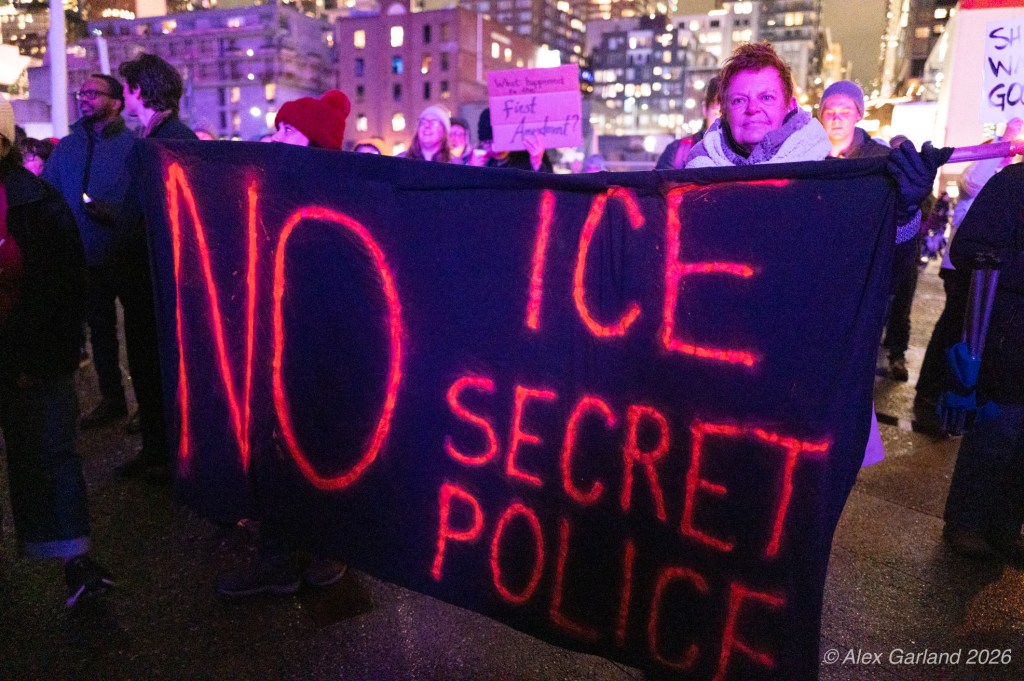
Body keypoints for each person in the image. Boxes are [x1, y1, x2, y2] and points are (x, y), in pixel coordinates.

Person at [216, 90, 351, 597]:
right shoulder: (267, 186)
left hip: (324, 349)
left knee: (321, 445)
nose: (274, 136)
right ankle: (276, 556)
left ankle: (330, 545)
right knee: (272, 447)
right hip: (272, 343)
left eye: (287, 130)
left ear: (312, 141)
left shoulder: (344, 198)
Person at [0, 98, 115, 607]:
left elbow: (64, 290)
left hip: (30, 359)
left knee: (49, 456)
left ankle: (77, 565)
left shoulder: (36, 203)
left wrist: (48, 359)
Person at [111, 53, 199, 483]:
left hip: (158, 279)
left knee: (158, 364)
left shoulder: (171, 141)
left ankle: (167, 453)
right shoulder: (157, 136)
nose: (123, 95)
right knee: (148, 363)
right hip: (147, 275)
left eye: (126, 88)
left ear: (140, 91)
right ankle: (159, 448)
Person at [915, 118, 1022, 431]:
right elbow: (974, 181)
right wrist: (1005, 140)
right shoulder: (985, 171)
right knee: (953, 332)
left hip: (991, 274)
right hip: (968, 271)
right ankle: (933, 395)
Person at [941, 160, 1024, 564]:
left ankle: (1006, 528)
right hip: (1010, 337)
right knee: (997, 431)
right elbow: (968, 248)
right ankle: (967, 523)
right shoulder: (1013, 183)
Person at [42, 73, 135, 430]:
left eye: (94, 93)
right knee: (100, 332)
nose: (85, 98)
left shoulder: (132, 146)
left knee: (140, 336)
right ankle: (111, 398)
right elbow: (49, 193)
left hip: (125, 253)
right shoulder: (68, 147)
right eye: (82, 93)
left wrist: (116, 213)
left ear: (116, 101)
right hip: (85, 257)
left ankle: (148, 405)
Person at [656, 76, 721, 170]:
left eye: (727, 114)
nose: (721, 120)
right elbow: (662, 183)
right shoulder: (677, 150)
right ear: (704, 108)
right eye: (716, 113)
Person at [469, 108, 553, 172]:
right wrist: (473, 173)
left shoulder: (531, 157)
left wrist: (537, 164)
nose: (495, 149)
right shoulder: (483, 164)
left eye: (499, 141)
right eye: (488, 142)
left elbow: (552, 190)